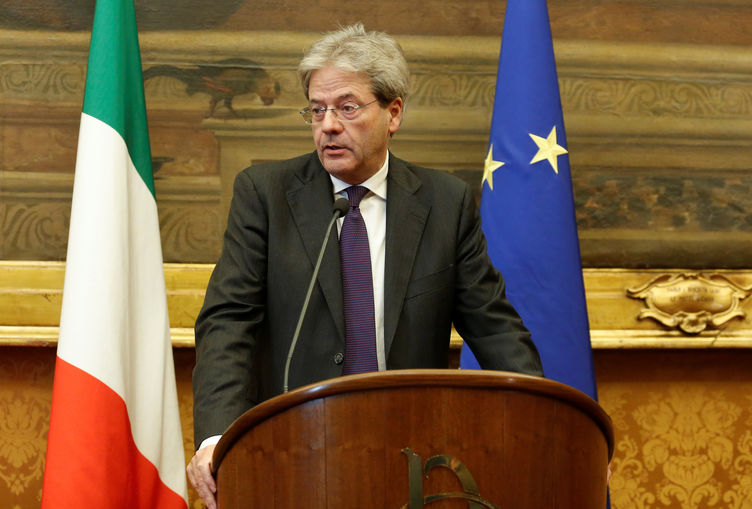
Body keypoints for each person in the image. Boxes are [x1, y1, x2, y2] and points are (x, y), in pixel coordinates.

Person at [186, 23, 543, 508]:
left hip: (413, 459)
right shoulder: (265, 194)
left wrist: (549, 422)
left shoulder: (444, 202)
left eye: (347, 108)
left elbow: (496, 330)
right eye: (316, 110)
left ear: (392, 113)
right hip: (291, 451)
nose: (328, 125)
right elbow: (229, 323)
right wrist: (216, 440)